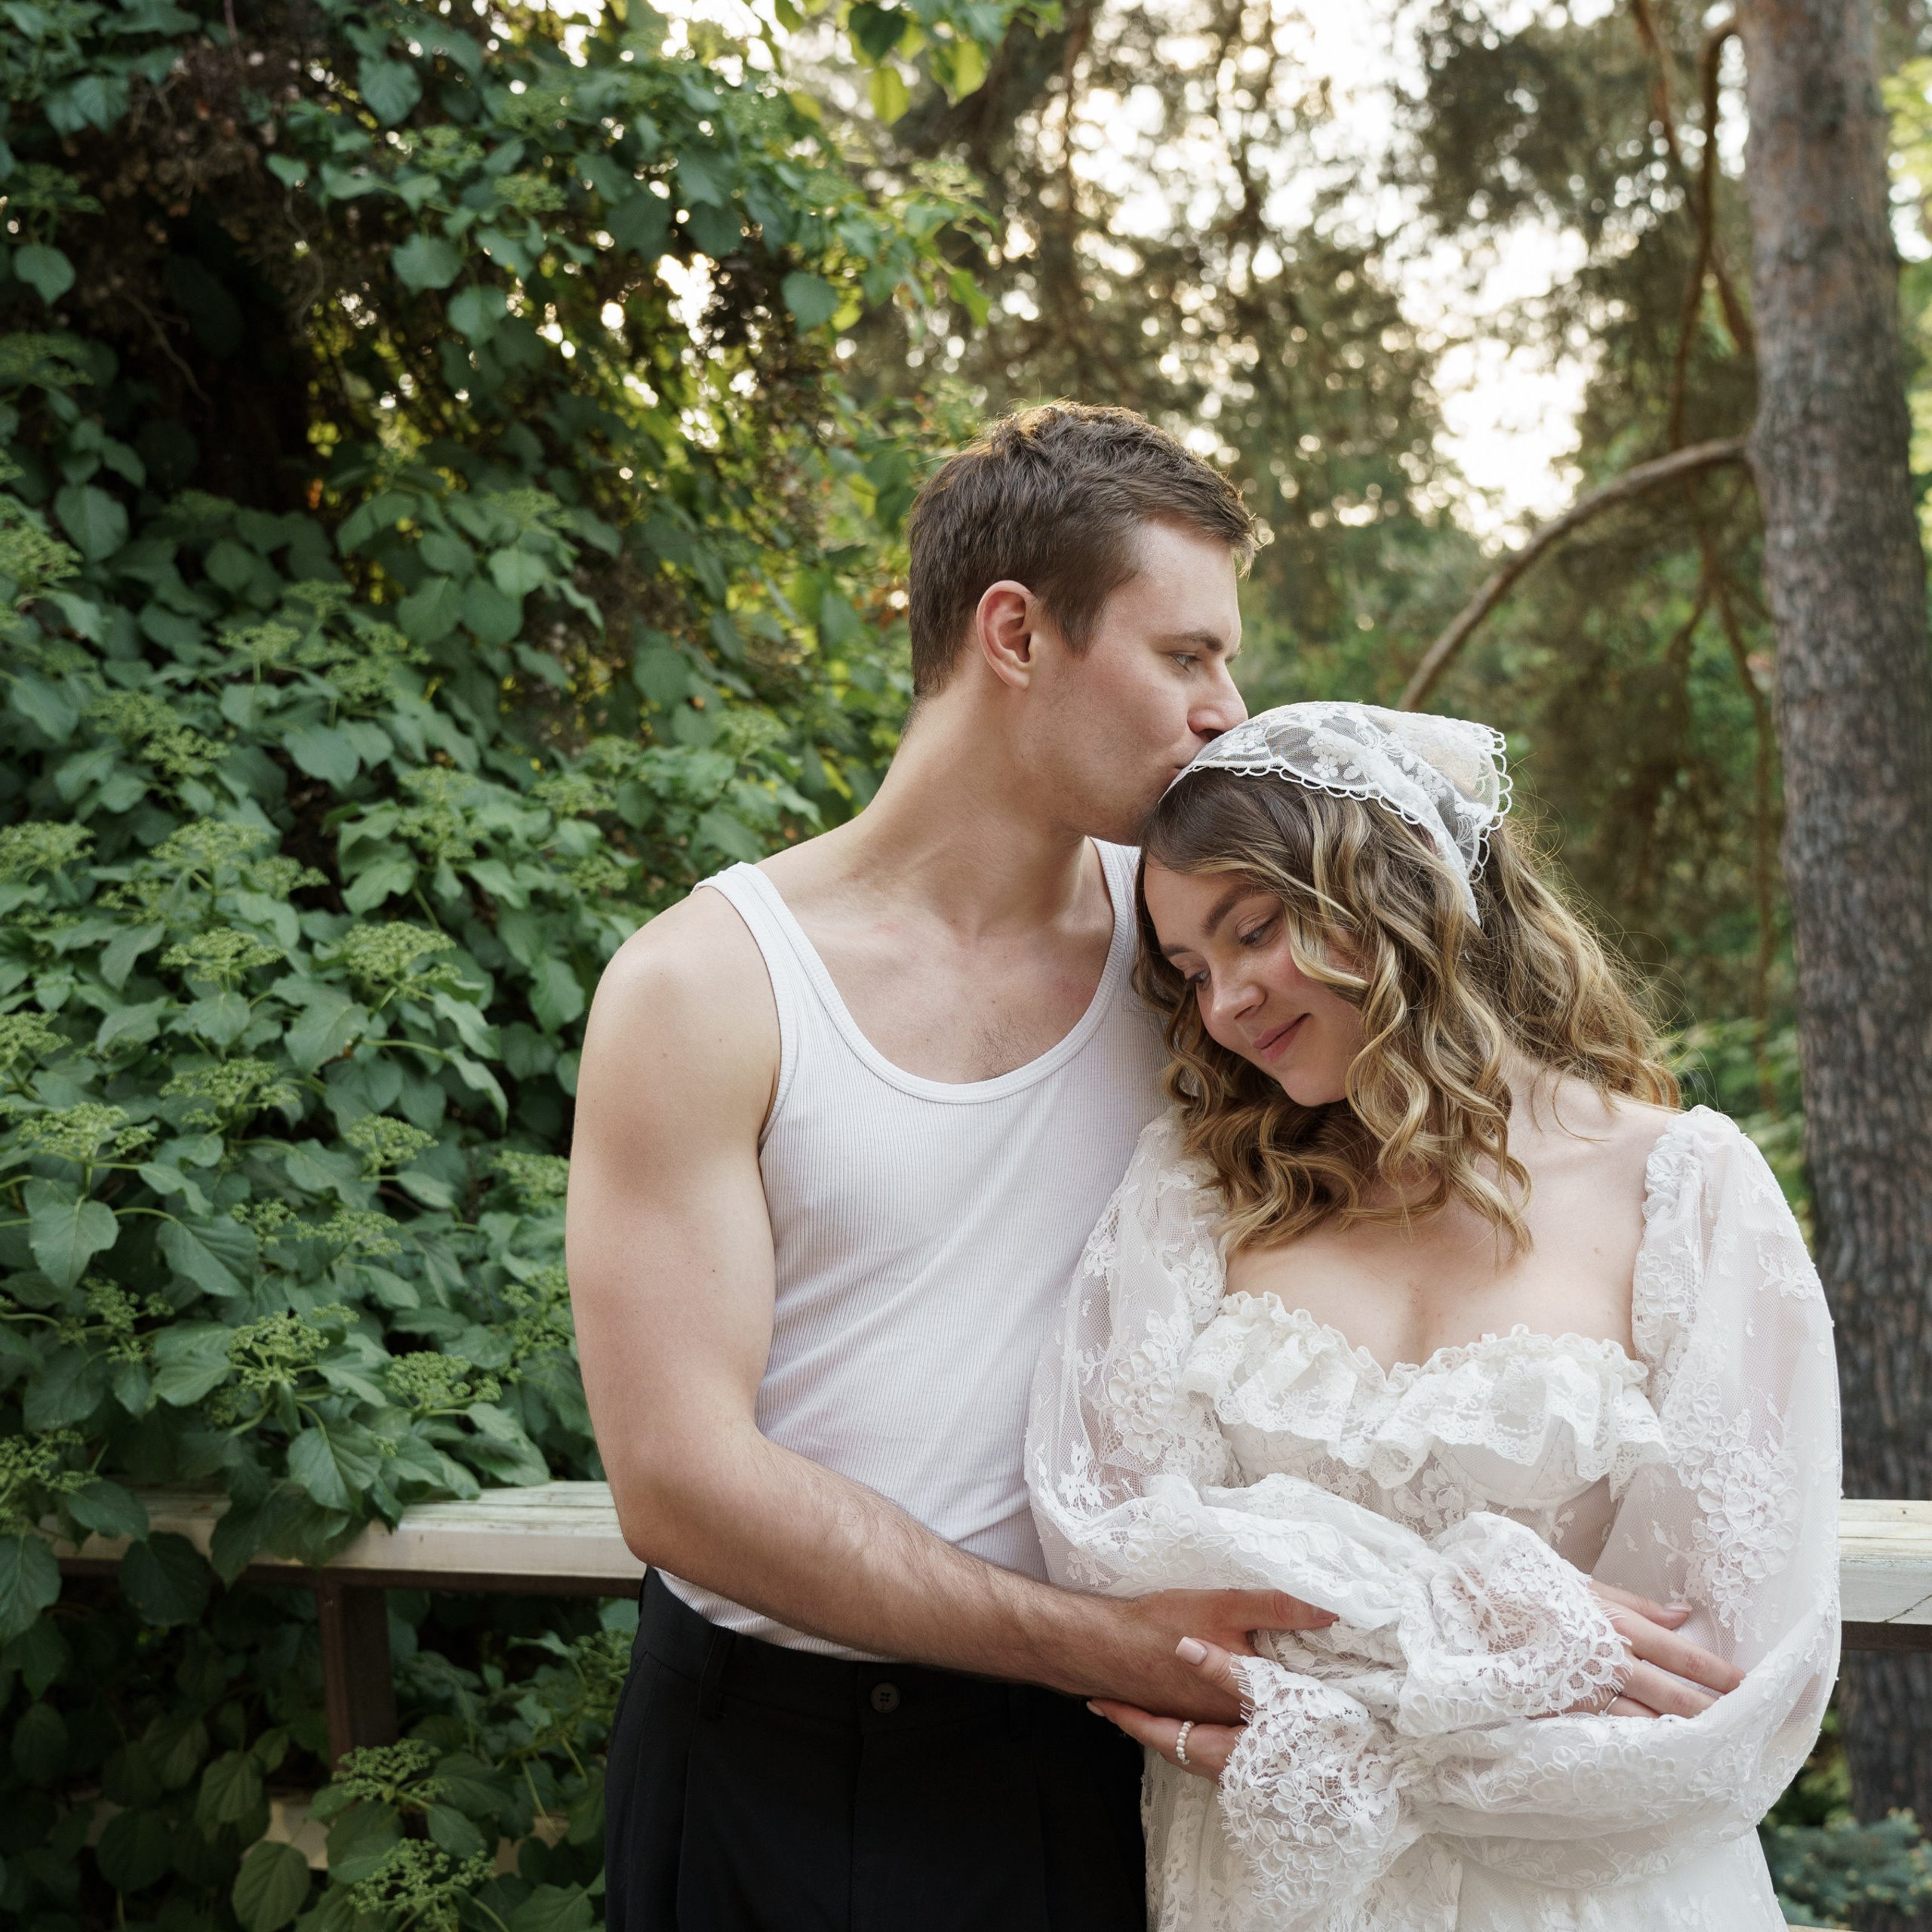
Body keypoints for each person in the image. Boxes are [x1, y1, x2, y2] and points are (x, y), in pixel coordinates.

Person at [568, 403, 1338, 1932]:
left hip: (1098, 1761)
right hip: (767, 1767)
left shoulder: (1203, 959)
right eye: (1184, 654)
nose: (1226, 710)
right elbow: (679, 1484)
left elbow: (1443, 1195)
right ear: (1013, 633)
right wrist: (1101, 1641)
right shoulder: (705, 988)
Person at [1028, 700, 1841, 1930]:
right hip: (1275, 1889)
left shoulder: (1688, 1193)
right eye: (1192, 971)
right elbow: (1116, 1558)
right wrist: (1486, 1615)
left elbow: (1723, 1695)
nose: (1226, 1004)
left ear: (1392, 892)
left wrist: (1334, 1727)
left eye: (1255, 931)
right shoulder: (1194, 1200)